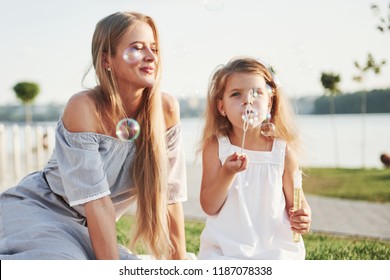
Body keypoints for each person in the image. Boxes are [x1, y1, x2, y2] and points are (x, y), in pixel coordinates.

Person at [0, 11, 187, 260]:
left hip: (89, 228)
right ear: (106, 59)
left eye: (154, 48)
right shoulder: (84, 108)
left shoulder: (166, 110)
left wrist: (182, 267)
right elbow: (97, 202)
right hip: (41, 209)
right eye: (137, 48)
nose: (151, 57)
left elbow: (170, 198)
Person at [197, 57, 311, 259]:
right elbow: (209, 206)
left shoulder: (283, 152)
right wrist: (227, 173)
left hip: (274, 249)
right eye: (236, 94)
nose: (247, 100)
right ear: (221, 107)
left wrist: (303, 215)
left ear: (269, 104)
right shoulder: (216, 147)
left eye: (257, 93)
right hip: (225, 250)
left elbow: (297, 202)